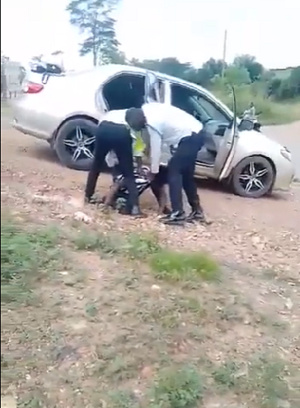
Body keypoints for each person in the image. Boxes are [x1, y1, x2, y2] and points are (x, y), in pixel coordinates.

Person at [125, 103, 208, 226]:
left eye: (138, 126)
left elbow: (156, 149)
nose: (140, 129)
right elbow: (151, 144)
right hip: (196, 133)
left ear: (139, 119)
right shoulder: (148, 109)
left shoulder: (153, 122)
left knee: (174, 171)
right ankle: (197, 211)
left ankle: (178, 213)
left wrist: (153, 172)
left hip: (190, 137)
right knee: (186, 175)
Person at [84, 110, 143, 216]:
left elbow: (100, 125)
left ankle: (88, 196)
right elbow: (138, 151)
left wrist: (112, 161)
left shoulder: (116, 113)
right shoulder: (136, 122)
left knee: (96, 166)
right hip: (121, 133)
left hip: (103, 128)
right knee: (128, 174)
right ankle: (135, 208)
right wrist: (139, 166)